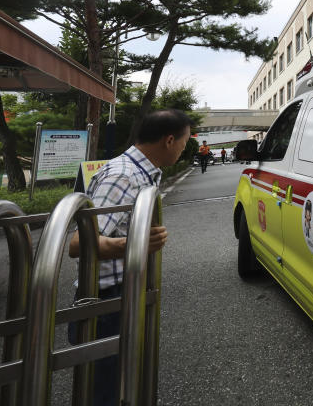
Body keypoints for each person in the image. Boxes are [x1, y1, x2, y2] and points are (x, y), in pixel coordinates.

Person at [67, 109, 187, 406]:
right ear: (169, 140)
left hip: (120, 292)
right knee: (103, 389)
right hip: (106, 299)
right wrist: (131, 244)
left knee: (121, 380)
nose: (185, 148)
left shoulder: (141, 172)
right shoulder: (124, 176)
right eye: (185, 142)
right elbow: (78, 243)